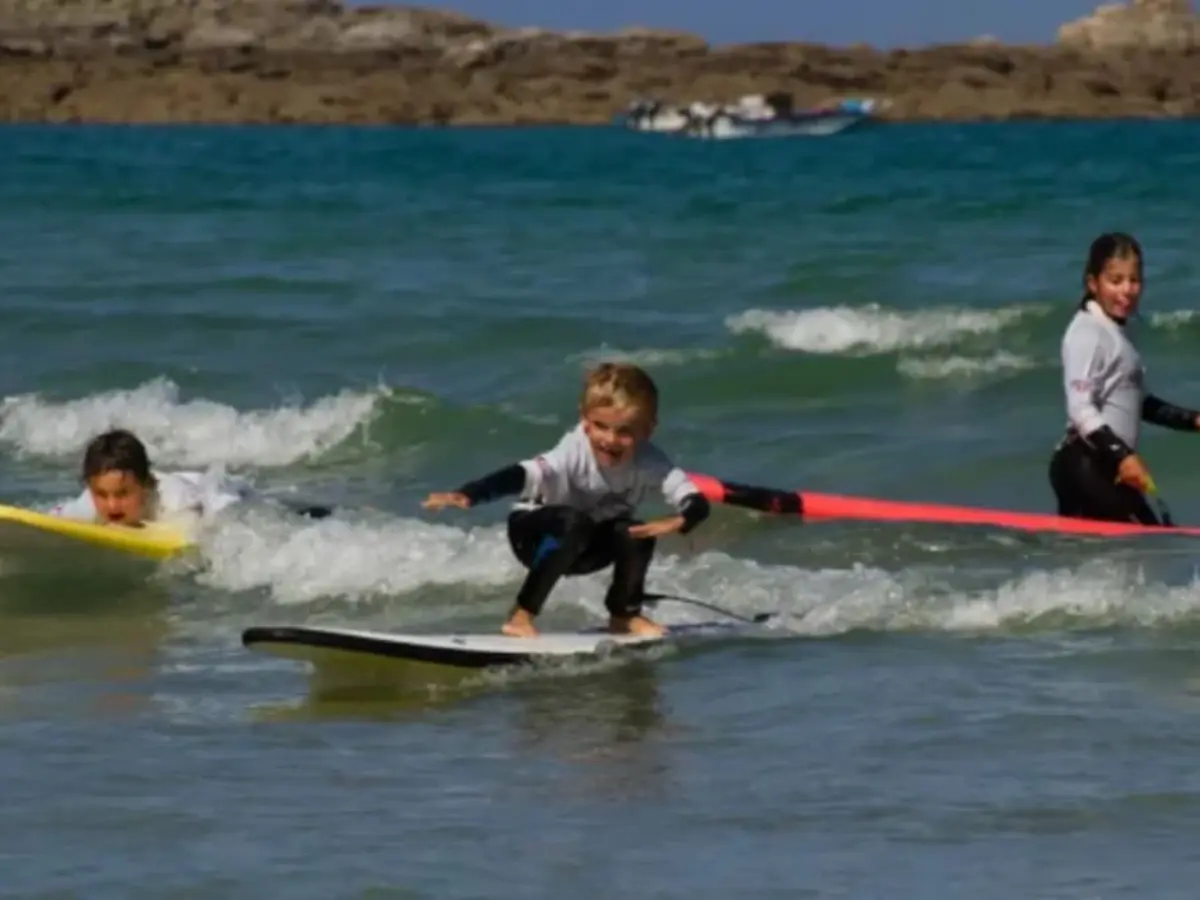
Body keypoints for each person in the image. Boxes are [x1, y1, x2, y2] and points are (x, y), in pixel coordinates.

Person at [422, 362, 711, 638]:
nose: (609, 439)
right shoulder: (571, 452)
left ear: (648, 430)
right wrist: (471, 493)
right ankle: (520, 616)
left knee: (637, 533)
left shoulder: (651, 462)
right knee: (575, 523)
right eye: (600, 426)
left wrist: (681, 519)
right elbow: (522, 474)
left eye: (624, 431)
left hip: (586, 551)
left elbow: (692, 498)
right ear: (584, 420)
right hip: (535, 538)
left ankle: (624, 614)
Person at [1049, 232, 1200, 525]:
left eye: (1134, 280)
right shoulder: (1088, 332)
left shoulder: (1118, 331)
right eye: (1115, 280)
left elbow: (1139, 403)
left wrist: (1193, 420)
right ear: (1093, 283)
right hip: (1084, 464)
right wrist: (1123, 456)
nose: (1127, 290)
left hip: (1109, 468)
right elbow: (1080, 409)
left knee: (1145, 546)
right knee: (1140, 541)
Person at [50, 428, 332, 527]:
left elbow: (190, 532)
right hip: (192, 484)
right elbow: (56, 519)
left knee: (289, 515)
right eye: (102, 494)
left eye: (123, 494)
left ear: (146, 484)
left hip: (222, 495)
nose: (111, 505)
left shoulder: (175, 501)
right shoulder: (92, 502)